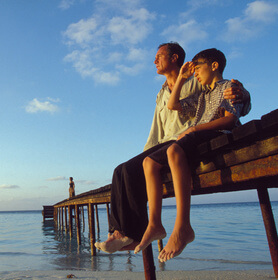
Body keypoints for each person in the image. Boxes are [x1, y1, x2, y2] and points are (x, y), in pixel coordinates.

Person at [95, 43, 251, 254]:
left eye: (159, 56)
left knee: (137, 167)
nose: (154, 61)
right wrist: (146, 151)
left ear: (174, 57)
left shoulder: (196, 80)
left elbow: (226, 91)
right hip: (162, 144)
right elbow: (158, 124)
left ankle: (135, 232)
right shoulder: (161, 94)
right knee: (121, 170)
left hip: (185, 140)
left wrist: (243, 93)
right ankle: (119, 233)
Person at [135, 48, 244, 262]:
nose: (196, 74)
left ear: (214, 66)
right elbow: (173, 105)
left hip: (216, 135)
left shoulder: (229, 87)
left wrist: (194, 129)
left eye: (198, 69)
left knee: (174, 150)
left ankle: (183, 226)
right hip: (197, 136)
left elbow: (231, 120)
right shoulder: (202, 96)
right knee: (148, 162)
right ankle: (154, 223)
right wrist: (182, 79)